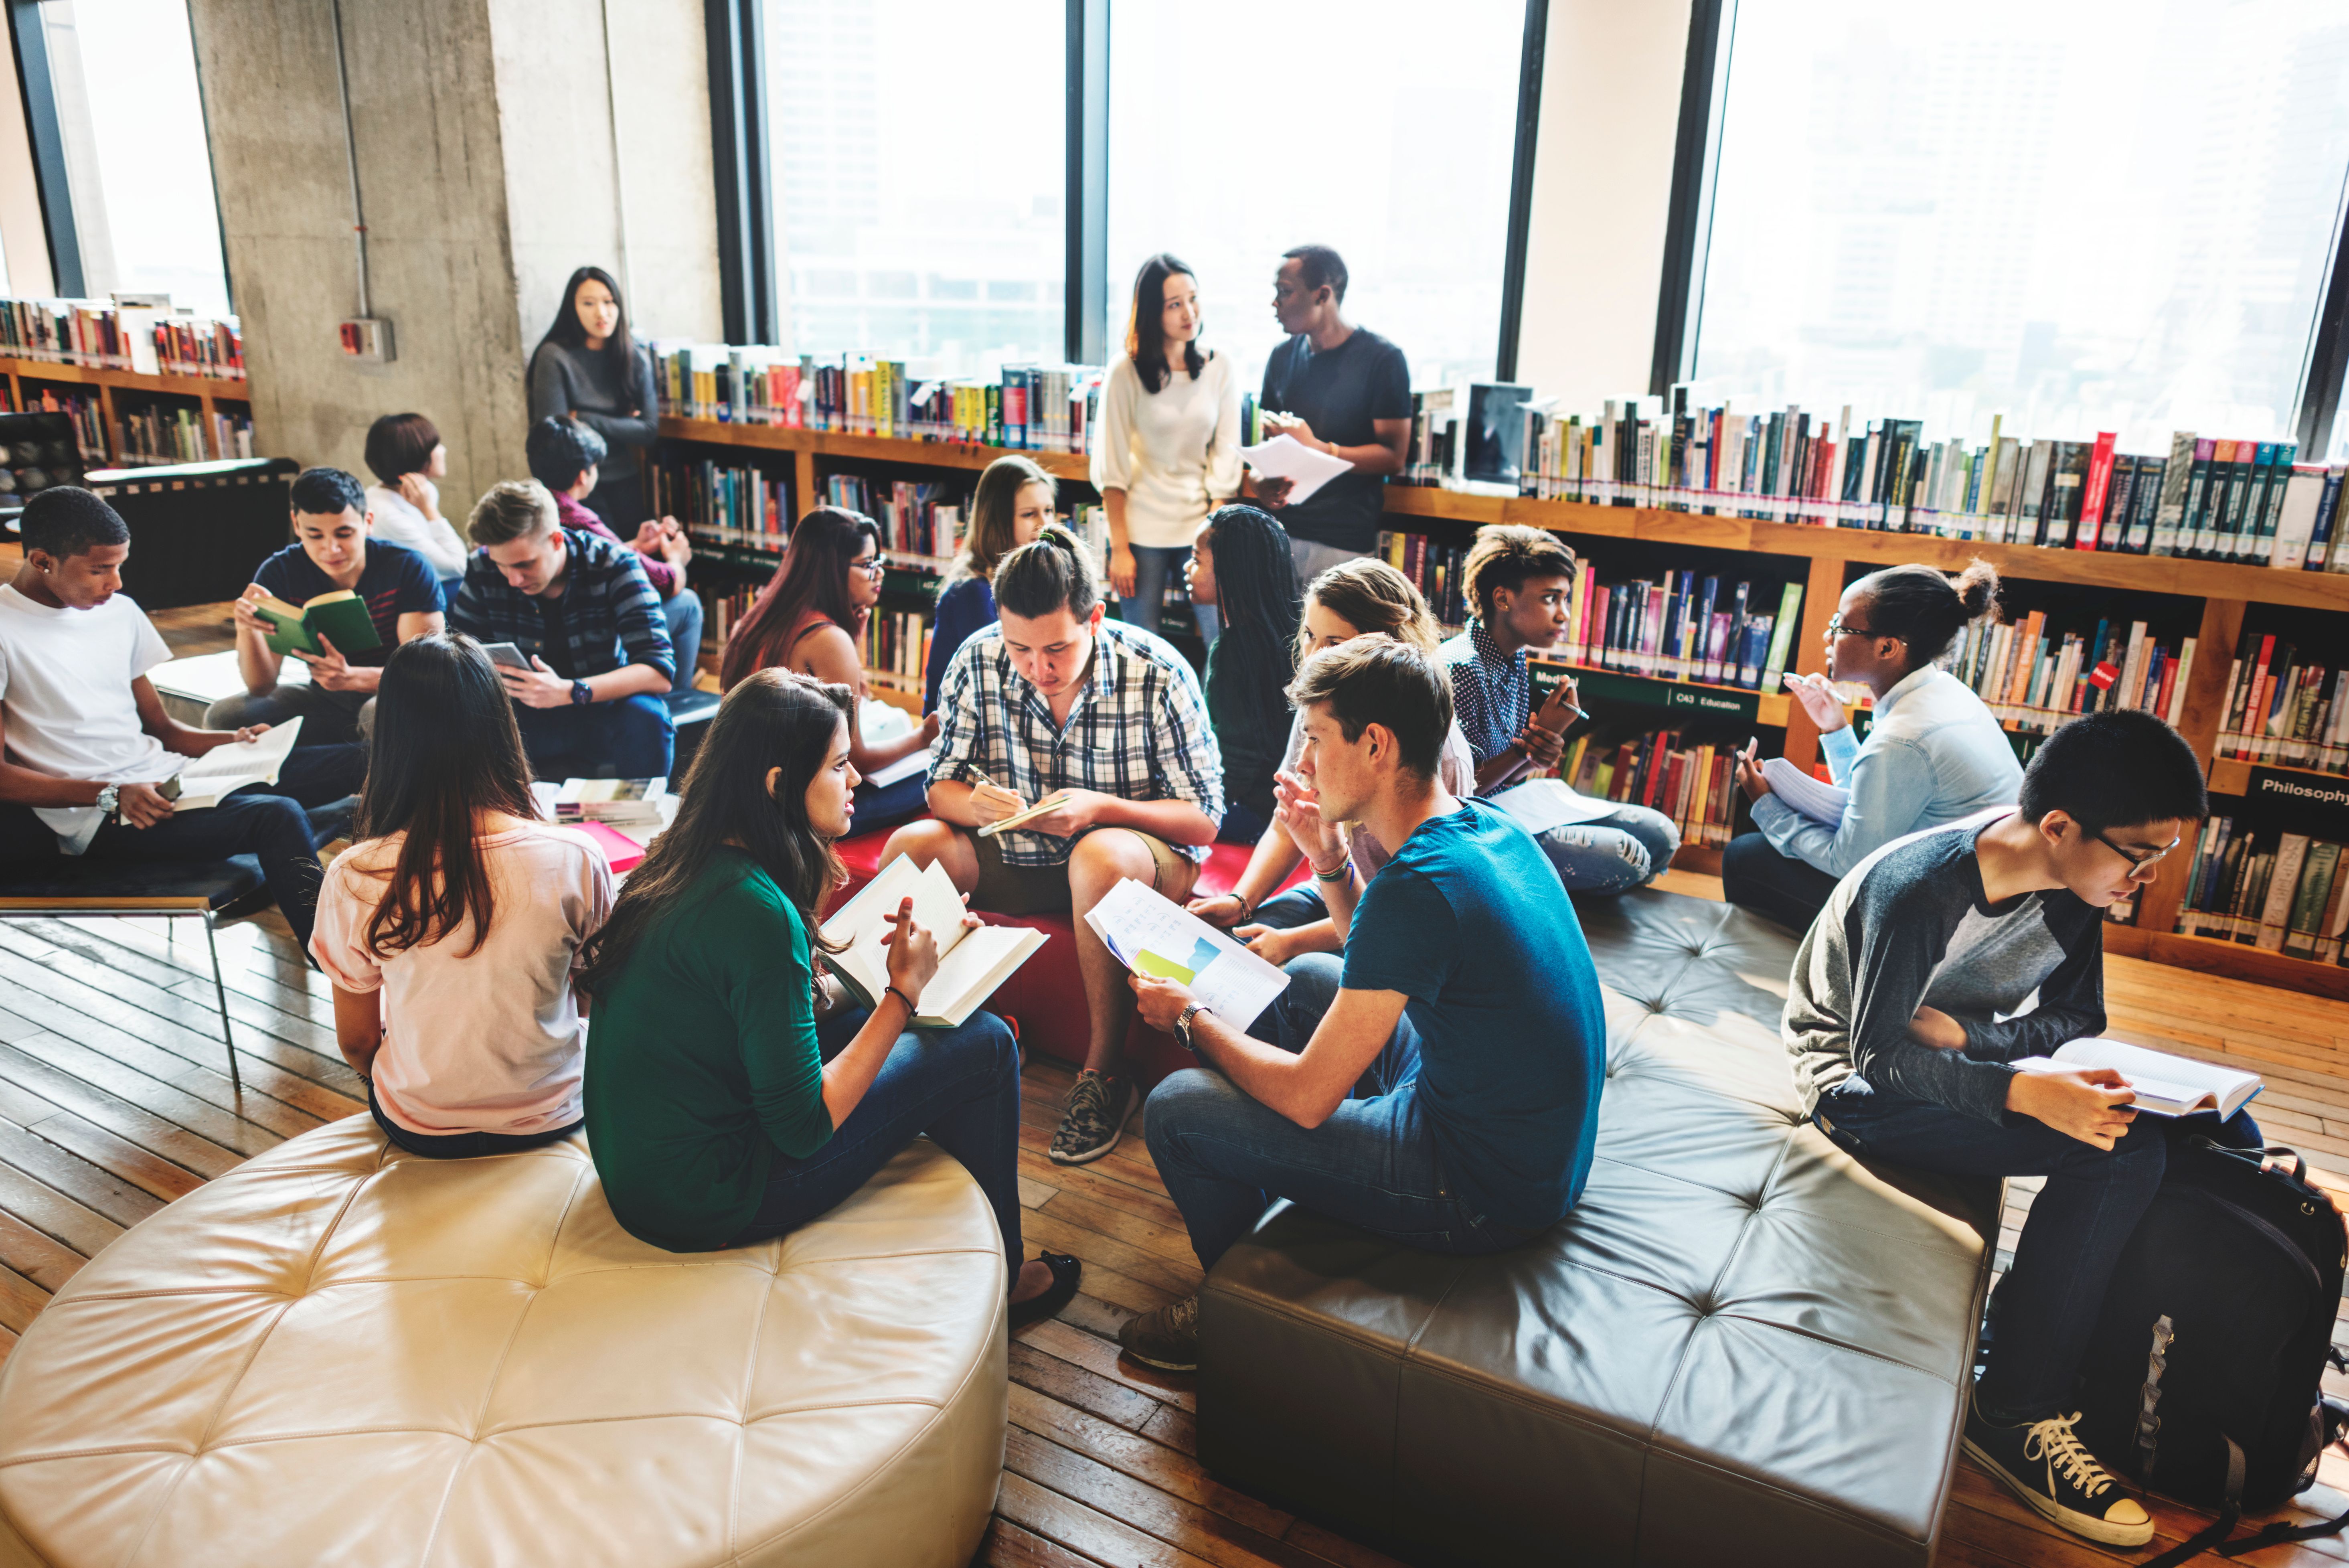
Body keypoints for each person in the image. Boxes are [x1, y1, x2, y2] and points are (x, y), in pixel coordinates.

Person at [1784, 709, 2248, 1548]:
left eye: (2163, 856)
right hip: (1849, 1083)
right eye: (2138, 856)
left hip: (1943, 1056)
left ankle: (2084, 1348)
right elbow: (1877, 1057)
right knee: (2116, 1155)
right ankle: (2011, 1410)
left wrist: (1974, 1039)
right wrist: (2021, 1094)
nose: (2146, 879)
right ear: (2059, 827)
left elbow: (2079, 1015)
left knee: (2224, 1133)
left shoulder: (2075, 882)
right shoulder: (1924, 887)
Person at [1121, 638, 1606, 1371]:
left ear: (1375, 744)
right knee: (1309, 976)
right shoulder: (1481, 825)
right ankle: (1291, 1221)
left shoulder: (1418, 885)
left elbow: (1308, 1096)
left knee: (1176, 1108)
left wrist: (1189, 1018)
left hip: (1480, 1190)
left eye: (1316, 740)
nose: (1302, 762)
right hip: (1529, 1150)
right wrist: (1326, 860)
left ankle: (1240, 1309)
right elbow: (1375, 950)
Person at [576, 667, 1082, 1327]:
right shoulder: (755, 911)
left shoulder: (677, 861)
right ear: (778, 785)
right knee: (985, 1044)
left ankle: (961, 1247)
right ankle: (1005, 1283)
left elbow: (769, 1013)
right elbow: (803, 1124)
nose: (858, 780)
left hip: (642, 1173)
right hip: (712, 1198)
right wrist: (901, 994)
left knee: (897, 1013)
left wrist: (899, 974)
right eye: (839, 765)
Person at [881, 527, 1223, 1166]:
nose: (1038, 668)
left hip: (1134, 860)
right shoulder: (977, 657)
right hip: (1018, 854)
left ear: (1096, 617)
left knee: (1097, 854)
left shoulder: (1156, 669)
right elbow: (939, 787)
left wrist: (1099, 809)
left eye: (1057, 648)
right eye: (1020, 648)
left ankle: (1104, 1074)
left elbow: (1203, 819)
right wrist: (974, 805)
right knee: (911, 847)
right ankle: (942, 1035)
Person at [0, 487, 365, 953]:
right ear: (42, 561)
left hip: (176, 780)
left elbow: (165, 731)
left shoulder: (119, 613)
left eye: (120, 566)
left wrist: (233, 741)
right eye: (100, 569)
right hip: (105, 816)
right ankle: (341, 968)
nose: (117, 583)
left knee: (368, 759)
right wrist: (110, 793)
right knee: (277, 816)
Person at [311, 634, 612, 1157]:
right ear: (501, 727)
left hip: (420, 1122)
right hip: (551, 1112)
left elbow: (357, 1042)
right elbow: (590, 1000)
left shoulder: (354, 873)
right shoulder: (577, 856)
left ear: (390, 737)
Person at [1188, 558, 1476, 963]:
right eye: (1309, 636)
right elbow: (1289, 823)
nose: (1313, 656)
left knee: (1296, 969)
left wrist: (1292, 942)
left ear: (1383, 648)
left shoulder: (1441, 755)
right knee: (1226, 952)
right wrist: (1241, 901)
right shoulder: (1322, 705)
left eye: (1334, 643)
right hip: (1330, 884)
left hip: (1395, 920)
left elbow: (1412, 912)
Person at [1725, 560, 2023, 933]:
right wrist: (1835, 728)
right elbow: (1870, 803)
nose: (1828, 636)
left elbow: (1848, 863)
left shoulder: (1903, 738)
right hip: (1979, 899)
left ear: (1887, 647)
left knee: (1745, 856)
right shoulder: (1945, 690)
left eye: (1840, 626)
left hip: (1942, 924)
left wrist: (1766, 806)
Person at [1437, 525, 1678, 894]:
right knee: (1626, 856)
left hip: (1517, 805)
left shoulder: (1514, 656)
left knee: (1661, 834)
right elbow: (1456, 791)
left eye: (1566, 600)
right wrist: (1528, 750)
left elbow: (1511, 774)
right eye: (1551, 599)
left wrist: (1538, 751)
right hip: (1475, 826)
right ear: (1503, 599)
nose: (1564, 615)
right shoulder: (1460, 668)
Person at [717, 505, 940, 831]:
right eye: (867, 564)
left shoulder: (757, 619)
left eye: (879, 562)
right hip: (795, 813)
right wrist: (923, 736)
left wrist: (851, 638)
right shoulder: (828, 639)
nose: (879, 574)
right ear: (832, 570)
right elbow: (858, 759)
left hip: (745, 796)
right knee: (937, 777)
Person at [450, 479, 675, 782]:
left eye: (525, 564)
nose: (514, 579)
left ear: (557, 540)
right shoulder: (482, 567)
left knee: (647, 716)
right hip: (522, 714)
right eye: (502, 565)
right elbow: (460, 656)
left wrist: (571, 691)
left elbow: (658, 672)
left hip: (600, 705)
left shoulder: (615, 564)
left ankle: (639, 808)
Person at [209, 467, 448, 749]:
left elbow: (428, 674)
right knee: (226, 716)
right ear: (297, 526)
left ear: (368, 522)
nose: (331, 549)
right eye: (315, 535)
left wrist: (353, 678)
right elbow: (261, 687)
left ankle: (349, 769)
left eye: (344, 534)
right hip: (325, 698)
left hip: (393, 694)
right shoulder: (279, 573)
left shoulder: (407, 567)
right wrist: (246, 628)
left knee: (377, 714)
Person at [1091, 253, 1241, 644]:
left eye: (1193, 298)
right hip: (1141, 532)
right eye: (1175, 305)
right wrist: (1119, 548)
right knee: (1141, 646)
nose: (1189, 313)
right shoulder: (1125, 370)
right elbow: (1111, 467)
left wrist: (1212, 534)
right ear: (1151, 313)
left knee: (1223, 642)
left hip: (1202, 526)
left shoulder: (1220, 366)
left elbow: (1226, 454)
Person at [1246, 245, 1411, 582]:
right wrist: (1260, 482)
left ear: (1323, 295)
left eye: (1285, 292)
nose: (1275, 303)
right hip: (1280, 533)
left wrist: (1319, 449)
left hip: (1342, 541)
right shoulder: (1281, 357)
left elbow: (1394, 457)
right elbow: (1266, 451)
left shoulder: (1383, 359)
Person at [525, 415, 702, 697]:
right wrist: (676, 560)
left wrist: (636, 546)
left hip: (547, 635)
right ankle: (677, 701)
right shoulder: (579, 518)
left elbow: (592, 558)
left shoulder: (531, 509)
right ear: (584, 475)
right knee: (688, 604)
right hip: (593, 635)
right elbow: (666, 582)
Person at [1182, 504, 1301, 843]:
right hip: (1278, 804)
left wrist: (1198, 810)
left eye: (1196, 559)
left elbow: (1232, 768)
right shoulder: (1292, 632)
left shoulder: (1235, 651)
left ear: (1232, 570)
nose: (1187, 567)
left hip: (1252, 814)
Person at [527, 265, 660, 530]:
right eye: (589, 304)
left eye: (609, 302)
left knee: (638, 547)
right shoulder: (554, 357)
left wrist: (585, 418)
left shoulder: (634, 357)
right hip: (575, 483)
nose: (602, 313)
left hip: (624, 475)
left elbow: (648, 430)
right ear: (573, 308)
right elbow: (557, 438)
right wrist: (622, 424)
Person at [923, 455, 1056, 712]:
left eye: (1049, 510)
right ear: (998, 522)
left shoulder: (1034, 579)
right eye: (1029, 514)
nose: (1045, 525)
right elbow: (1005, 686)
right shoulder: (973, 593)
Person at [362, 412, 470, 588]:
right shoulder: (388, 514)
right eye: (435, 446)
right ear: (417, 456)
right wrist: (429, 511)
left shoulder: (423, 492)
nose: (443, 450)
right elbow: (459, 566)